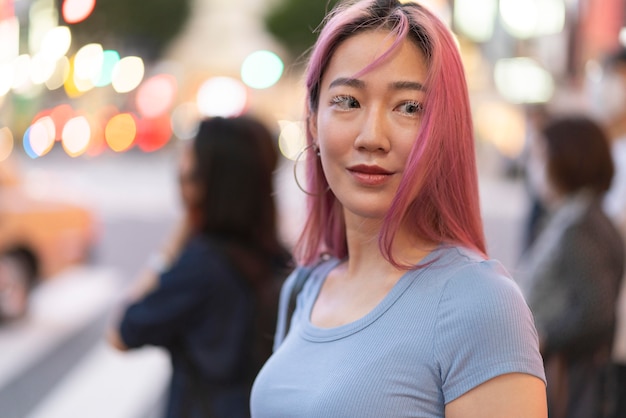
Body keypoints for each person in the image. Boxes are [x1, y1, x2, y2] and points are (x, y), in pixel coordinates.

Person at [250, 1, 547, 417]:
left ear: (444, 131)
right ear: (314, 123)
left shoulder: (479, 303)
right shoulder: (305, 287)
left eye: (409, 107)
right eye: (347, 101)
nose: (372, 137)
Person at [107, 115, 293, 418]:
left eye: (188, 163)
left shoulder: (201, 266)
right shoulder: (280, 259)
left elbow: (121, 333)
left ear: (204, 181)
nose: (180, 168)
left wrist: (175, 241)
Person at [516, 115, 624, 418]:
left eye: (539, 156)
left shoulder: (581, 224)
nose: (533, 168)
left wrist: (545, 338)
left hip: (571, 379)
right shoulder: (579, 215)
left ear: (567, 159)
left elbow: (595, 311)